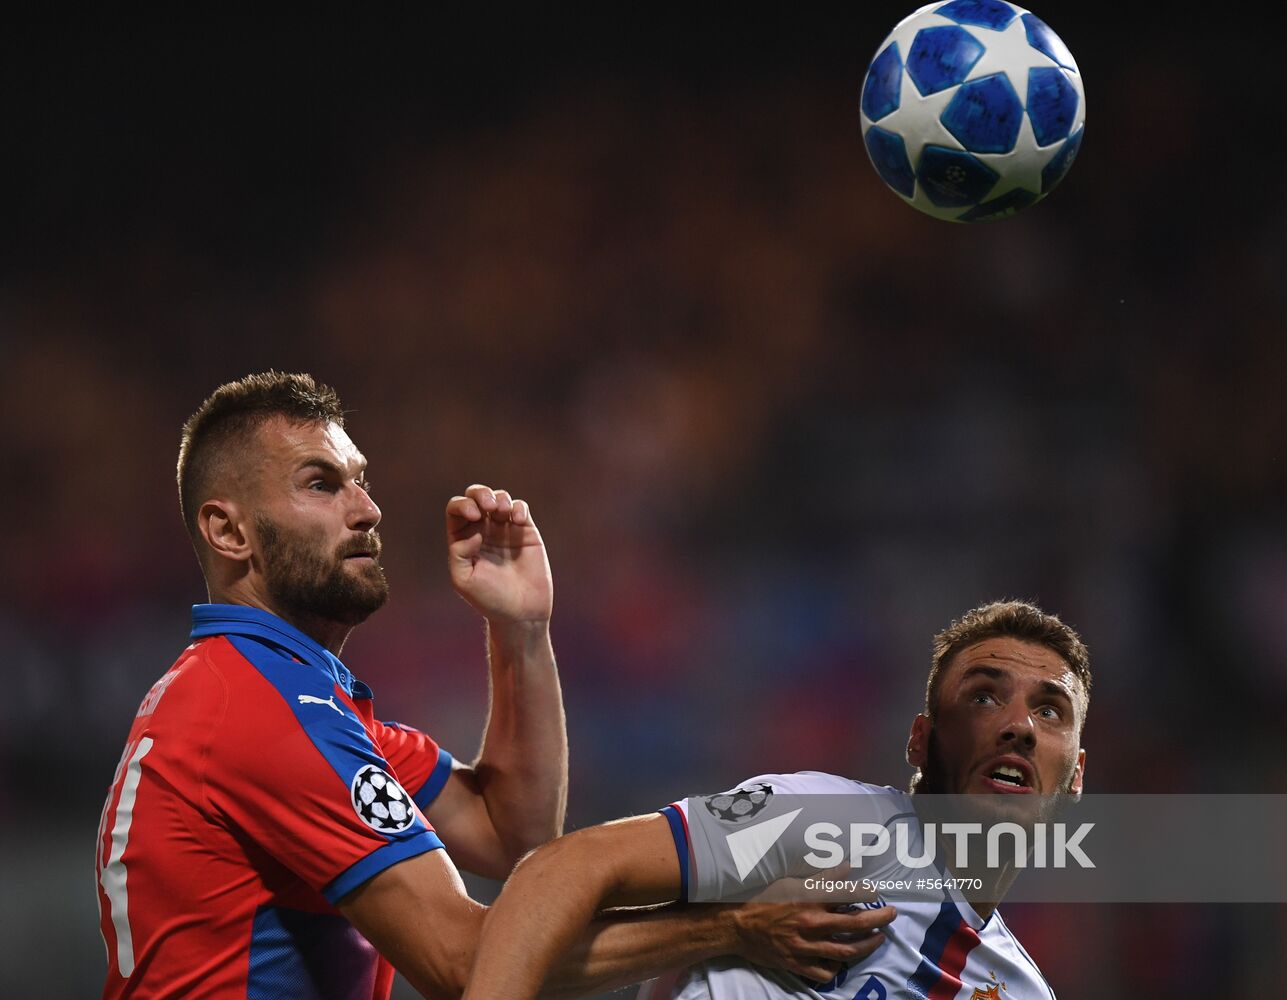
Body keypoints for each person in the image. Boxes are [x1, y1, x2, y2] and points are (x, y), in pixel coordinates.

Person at [93, 371, 892, 1000]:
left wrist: (521, 632)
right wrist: (727, 927)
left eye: (361, 479)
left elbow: (513, 835)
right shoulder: (258, 710)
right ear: (229, 530)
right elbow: (467, 961)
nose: (368, 508)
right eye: (321, 484)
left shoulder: (277, 697)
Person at [463, 600, 1092, 999]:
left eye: (1049, 710)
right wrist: (727, 928)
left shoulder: (1018, 991)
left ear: (1076, 778)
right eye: (984, 696)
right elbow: (561, 870)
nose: (1019, 726)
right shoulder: (826, 822)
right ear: (921, 742)